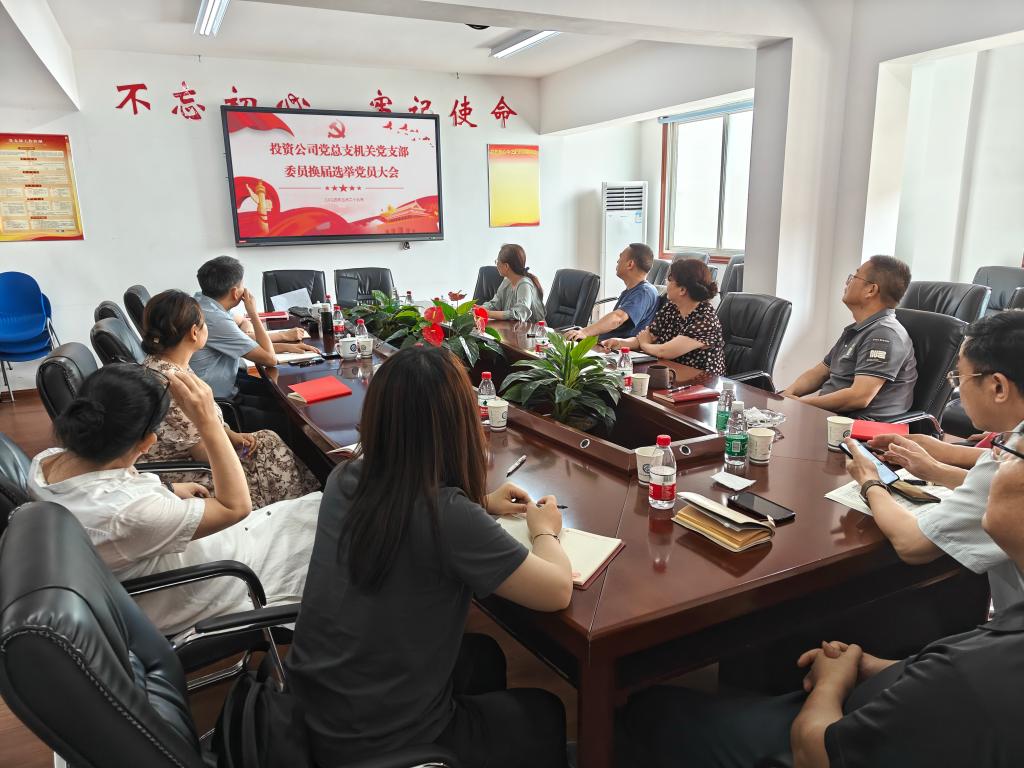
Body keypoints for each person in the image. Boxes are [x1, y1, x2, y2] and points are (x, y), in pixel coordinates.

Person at [622, 425, 1024, 768]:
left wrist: (832, 683)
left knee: (649, 710)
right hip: (884, 699)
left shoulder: (977, 671)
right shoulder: (1000, 633)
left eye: (1009, 455)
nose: (991, 466)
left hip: (825, 734)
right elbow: (938, 682)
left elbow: (814, 752)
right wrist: (869, 666)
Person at [285, 346, 572, 768]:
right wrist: (545, 530)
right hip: (375, 741)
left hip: (312, 711)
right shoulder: (446, 515)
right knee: (544, 712)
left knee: (484, 656)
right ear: (459, 425)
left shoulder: (346, 476)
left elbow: (406, 513)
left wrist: (479, 504)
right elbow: (557, 590)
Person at [27, 363, 321, 635]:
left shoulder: (48, 462)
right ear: (147, 443)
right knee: (331, 533)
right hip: (223, 578)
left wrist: (168, 489)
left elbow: (114, 501)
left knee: (318, 509)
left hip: (191, 545)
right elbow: (235, 507)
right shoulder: (128, 513)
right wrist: (208, 423)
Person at [845, 310, 1024, 612]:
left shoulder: (1013, 462)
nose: (958, 389)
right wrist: (935, 466)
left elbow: (912, 544)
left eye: (960, 377)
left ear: (998, 387)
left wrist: (870, 480)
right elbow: (991, 486)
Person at [141, 289, 320, 509]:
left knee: (266, 439)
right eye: (204, 324)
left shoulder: (164, 363)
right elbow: (203, 452)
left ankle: (303, 503)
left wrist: (232, 435)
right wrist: (236, 450)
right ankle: (298, 510)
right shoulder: (175, 384)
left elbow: (202, 424)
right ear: (194, 333)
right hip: (192, 476)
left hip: (193, 459)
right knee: (269, 446)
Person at [189, 255, 318, 432]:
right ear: (235, 292)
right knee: (291, 414)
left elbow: (241, 322)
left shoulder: (203, 302)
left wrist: (286, 347)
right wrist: (253, 312)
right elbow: (269, 359)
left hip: (224, 385)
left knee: (286, 397)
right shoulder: (215, 319)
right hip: (219, 405)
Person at [781, 255, 917, 421]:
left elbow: (859, 397)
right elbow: (820, 372)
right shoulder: (858, 329)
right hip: (834, 418)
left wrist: (801, 404)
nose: (847, 283)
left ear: (871, 290)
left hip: (862, 426)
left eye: (854, 277)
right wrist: (787, 394)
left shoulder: (885, 335)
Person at [604, 258, 726, 375]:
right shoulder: (671, 308)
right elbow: (646, 337)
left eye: (670, 280)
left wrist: (645, 345)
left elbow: (664, 351)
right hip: (672, 372)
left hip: (703, 381)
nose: (666, 283)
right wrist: (620, 343)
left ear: (682, 290)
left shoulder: (705, 320)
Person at [564, 243, 659, 342]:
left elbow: (617, 318)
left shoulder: (644, 292)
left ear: (630, 264)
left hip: (617, 348)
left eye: (620, 257)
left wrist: (585, 332)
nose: (618, 261)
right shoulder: (632, 291)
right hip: (604, 343)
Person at [480, 244, 546, 322]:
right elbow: (495, 304)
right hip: (514, 327)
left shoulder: (524, 284)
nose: (496, 264)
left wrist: (489, 314)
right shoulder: (507, 280)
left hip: (534, 328)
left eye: (497, 261)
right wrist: (480, 309)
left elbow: (520, 314)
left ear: (506, 266)